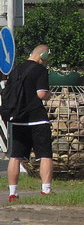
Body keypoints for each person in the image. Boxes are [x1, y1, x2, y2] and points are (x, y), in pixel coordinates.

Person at [7, 45, 53, 201]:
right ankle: (46, 190)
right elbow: (41, 94)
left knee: (15, 156)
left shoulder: (16, 70)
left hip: (18, 119)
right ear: (44, 56)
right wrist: (49, 95)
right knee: (45, 155)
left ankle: (13, 192)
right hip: (38, 119)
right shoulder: (40, 70)